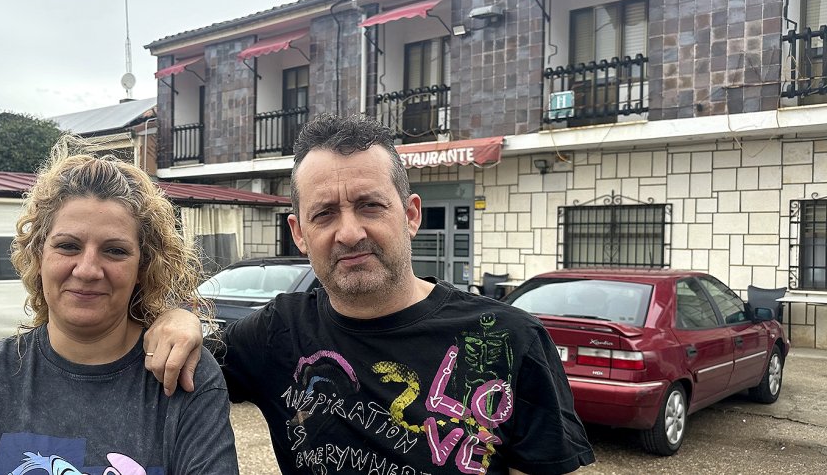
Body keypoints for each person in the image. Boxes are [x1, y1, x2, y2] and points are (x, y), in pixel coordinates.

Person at [145, 113, 594, 475]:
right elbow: (169, 369)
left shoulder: (508, 339)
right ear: (299, 234)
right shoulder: (276, 332)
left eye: (370, 206)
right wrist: (178, 316)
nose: (349, 232)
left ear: (411, 215)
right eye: (324, 214)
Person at [0, 141, 239, 475]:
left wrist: (181, 312)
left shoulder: (184, 378)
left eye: (114, 251)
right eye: (68, 246)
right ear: (38, 255)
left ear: (143, 268)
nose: (87, 270)